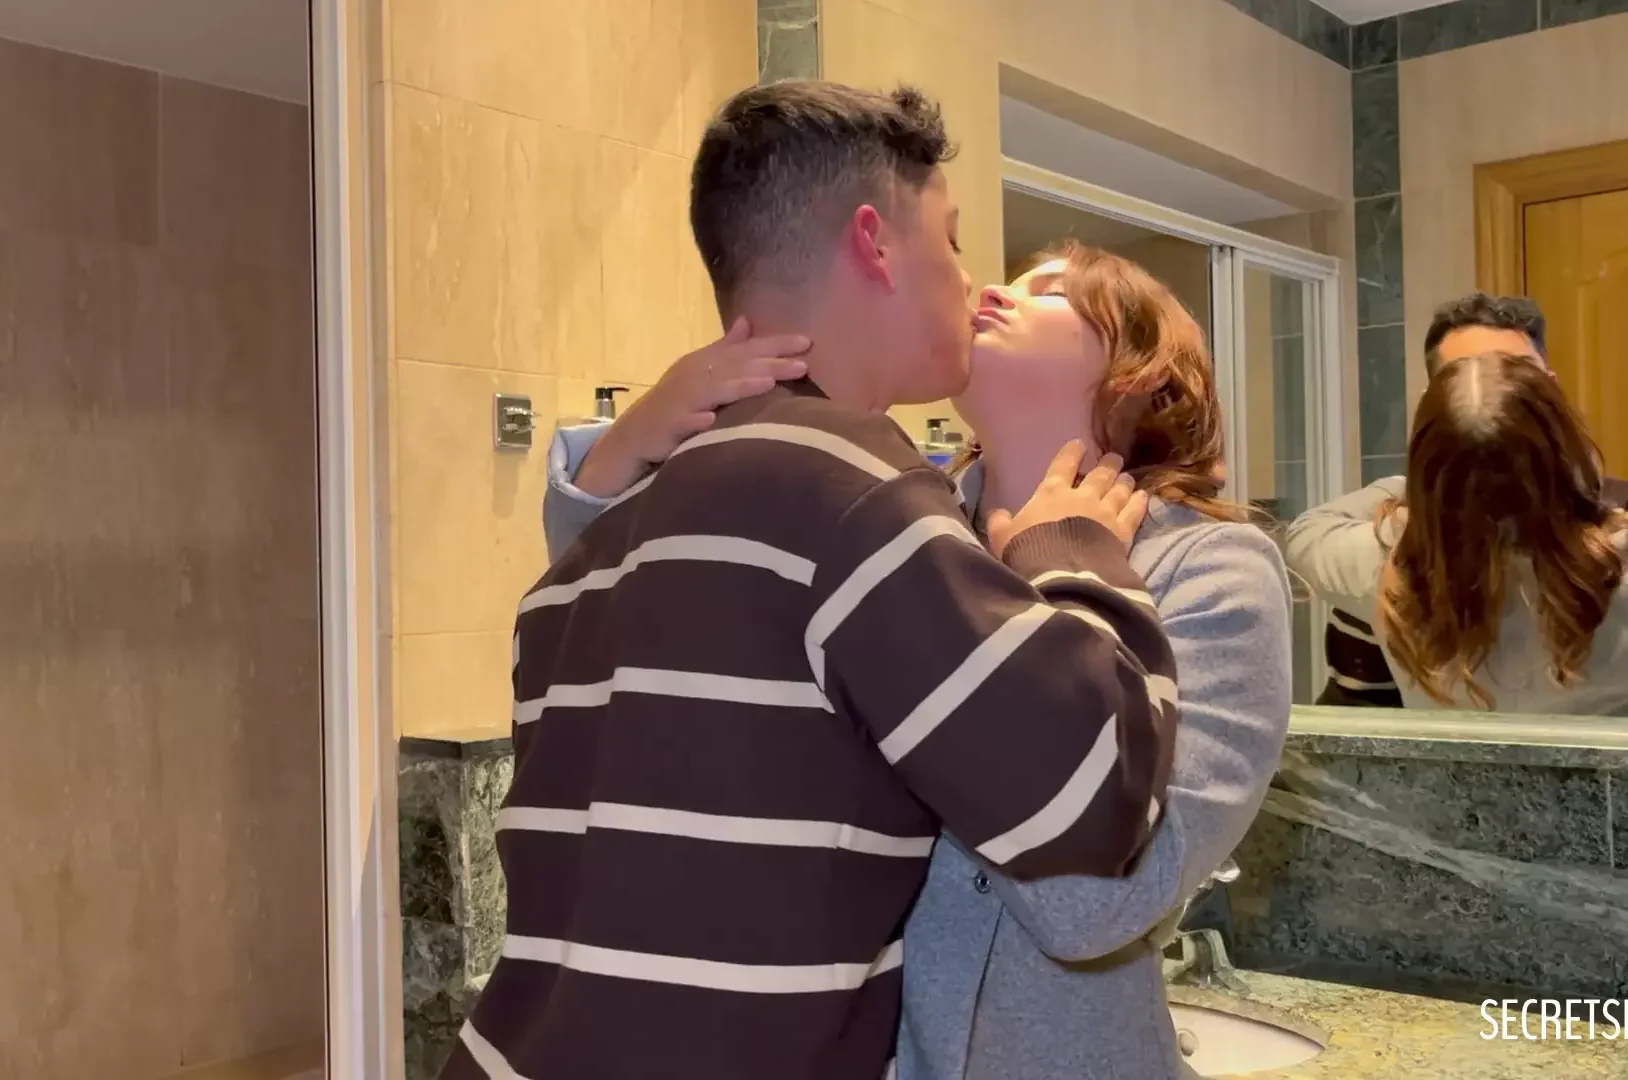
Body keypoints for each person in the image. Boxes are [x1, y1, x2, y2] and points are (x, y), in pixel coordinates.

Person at [442, 82, 1183, 1080]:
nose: (971, 281)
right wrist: (1073, 552)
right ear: (875, 243)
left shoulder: (595, 545)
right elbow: (1087, 798)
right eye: (951, 239)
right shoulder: (850, 487)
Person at [544, 242, 1293, 1079]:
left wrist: (1062, 567)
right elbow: (637, 620)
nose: (998, 292)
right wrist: (622, 452)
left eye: (1054, 290)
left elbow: (1091, 905)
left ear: (1147, 372)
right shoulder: (891, 524)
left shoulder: (1214, 572)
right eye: (1010, 276)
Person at [1316, 293, 1628, 708]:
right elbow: (1359, 707)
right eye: (1468, 377)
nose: (1496, 395)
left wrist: (1624, 579)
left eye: (1517, 375)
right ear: (1436, 405)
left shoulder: (1626, 510)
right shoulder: (1398, 552)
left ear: (1550, 392)